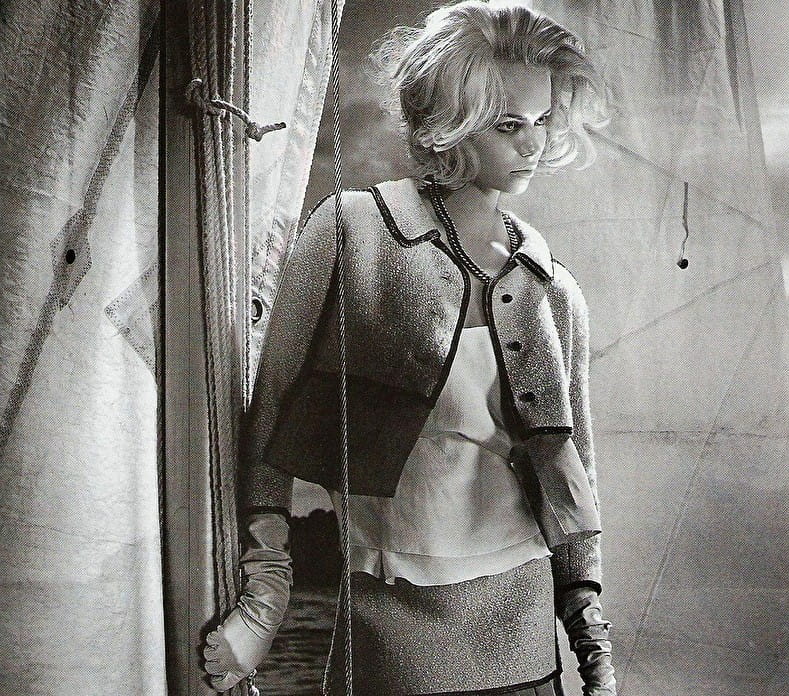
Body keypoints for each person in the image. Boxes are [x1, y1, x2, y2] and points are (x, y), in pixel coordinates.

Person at [203, 2, 616, 694]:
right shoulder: (352, 233)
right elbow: (270, 410)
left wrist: (593, 647)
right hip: (387, 620)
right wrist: (267, 592)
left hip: (523, 631)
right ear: (449, 123)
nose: (533, 145)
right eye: (508, 124)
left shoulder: (553, 290)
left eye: (543, 120)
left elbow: (576, 477)